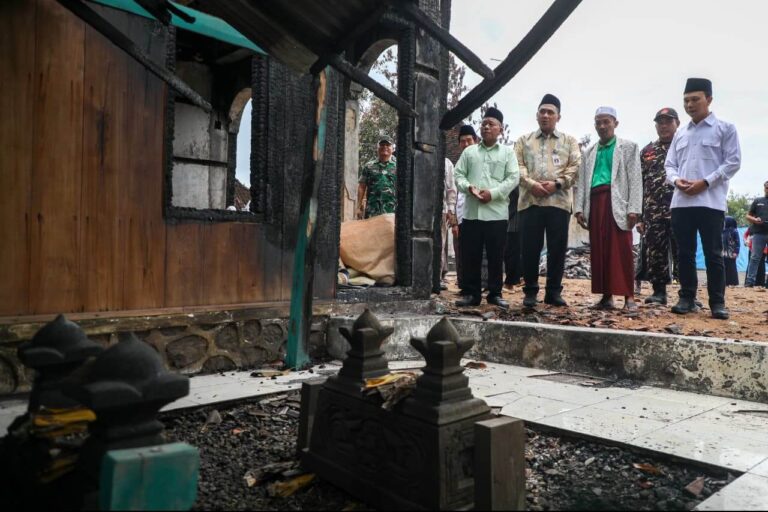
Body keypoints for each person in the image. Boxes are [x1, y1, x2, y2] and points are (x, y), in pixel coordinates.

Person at [665, 78, 741, 319]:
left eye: (695, 99)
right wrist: (676, 180)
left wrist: (705, 182)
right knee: (684, 253)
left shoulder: (725, 129)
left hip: (711, 202)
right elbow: (670, 165)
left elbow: (733, 162)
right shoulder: (680, 133)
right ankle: (686, 298)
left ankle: (717, 303)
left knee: (713, 254)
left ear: (708, 99)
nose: (689, 104)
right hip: (681, 203)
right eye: (686, 100)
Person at [515, 94, 581, 308]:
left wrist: (558, 184)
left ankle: (553, 292)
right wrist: (531, 183)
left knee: (557, 250)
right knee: (529, 249)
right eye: (542, 111)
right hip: (530, 202)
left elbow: (575, 167)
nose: (545, 115)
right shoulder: (523, 141)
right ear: (536, 115)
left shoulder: (570, 141)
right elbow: (517, 166)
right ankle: (531, 292)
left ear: (558, 117)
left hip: (558, 203)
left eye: (550, 112)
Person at [574, 106, 642, 311]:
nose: (602, 126)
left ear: (615, 123)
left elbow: (635, 179)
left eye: (606, 122)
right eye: (598, 122)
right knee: (600, 250)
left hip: (618, 203)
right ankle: (606, 297)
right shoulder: (589, 152)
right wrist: (579, 208)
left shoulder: (628, 147)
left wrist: (634, 209)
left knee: (621, 249)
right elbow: (583, 181)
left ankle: (629, 297)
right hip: (595, 203)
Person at [454, 107, 519, 309]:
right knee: (471, 255)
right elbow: (458, 176)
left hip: (496, 213)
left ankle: (495, 293)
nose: (486, 127)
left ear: (500, 129)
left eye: (491, 124)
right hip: (472, 213)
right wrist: (468, 187)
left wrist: (494, 193)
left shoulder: (508, 153)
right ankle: (472, 294)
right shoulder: (469, 152)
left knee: (495, 256)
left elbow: (513, 178)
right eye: (483, 123)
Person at [636, 108, 681, 305]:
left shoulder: (684, 148)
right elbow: (639, 185)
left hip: (680, 208)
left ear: (677, 123)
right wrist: (639, 216)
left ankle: (687, 293)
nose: (663, 125)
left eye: (668, 121)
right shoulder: (647, 152)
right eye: (660, 122)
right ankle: (659, 292)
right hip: (653, 212)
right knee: (655, 252)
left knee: (683, 252)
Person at [454, 125, 479, 293]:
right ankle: (463, 285)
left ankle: (475, 286)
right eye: (462, 141)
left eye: (468, 140)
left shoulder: (480, 162)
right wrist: (454, 217)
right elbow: (453, 193)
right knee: (460, 252)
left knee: (474, 253)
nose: (465, 144)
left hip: (477, 214)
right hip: (461, 215)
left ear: (475, 141)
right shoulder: (458, 165)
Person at [357, 137, 396, 219]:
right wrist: (358, 206)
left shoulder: (399, 166)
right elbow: (362, 187)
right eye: (382, 145)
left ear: (393, 149)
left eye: (388, 145)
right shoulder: (369, 166)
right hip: (373, 210)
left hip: (393, 211)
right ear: (377, 149)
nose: (384, 147)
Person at [745, 181, 768, 287]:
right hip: (759, 233)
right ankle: (750, 282)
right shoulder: (758, 201)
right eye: (766, 187)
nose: (767, 189)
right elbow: (748, 216)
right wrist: (754, 219)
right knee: (755, 257)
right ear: (764, 188)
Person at [440, 157, 458, 290]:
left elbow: (451, 187)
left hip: (441, 209)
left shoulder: (446, 162)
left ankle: (438, 276)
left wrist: (451, 209)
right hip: (419, 209)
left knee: (440, 243)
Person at [503, 186, 522, 292]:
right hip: (510, 216)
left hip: (513, 216)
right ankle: (510, 281)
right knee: (511, 250)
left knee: (512, 250)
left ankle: (510, 282)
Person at [722, 216, 740, 286]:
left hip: (731, 252)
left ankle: (733, 282)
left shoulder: (734, 231)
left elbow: (737, 242)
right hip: (723, 252)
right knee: (724, 266)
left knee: (732, 267)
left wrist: (736, 252)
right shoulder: (722, 230)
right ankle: (725, 282)